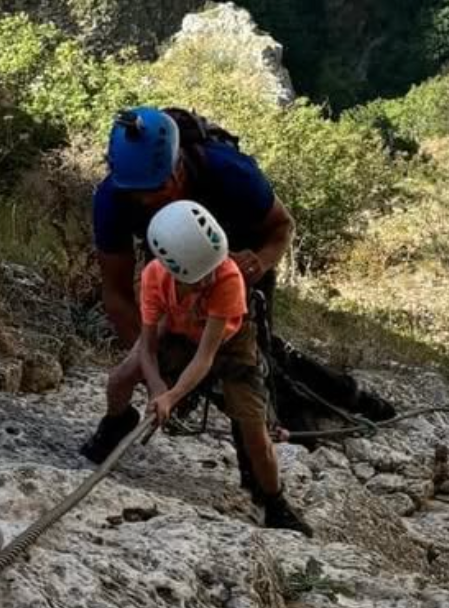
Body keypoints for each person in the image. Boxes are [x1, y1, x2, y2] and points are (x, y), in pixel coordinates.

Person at [91, 107, 393, 447]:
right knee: (201, 351)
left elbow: (282, 226)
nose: (146, 200)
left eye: (155, 189)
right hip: (177, 267)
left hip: (243, 260)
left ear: (177, 168)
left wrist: (261, 262)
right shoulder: (115, 198)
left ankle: (326, 411)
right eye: (137, 192)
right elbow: (117, 295)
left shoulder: (228, 172)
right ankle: (346, 396)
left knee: (250, 353)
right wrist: (153, 368)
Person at [82, 199, 311, 534]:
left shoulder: (226, 277)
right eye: (199, 277)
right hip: (175, 332)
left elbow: (207, 356)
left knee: (254, 431)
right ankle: (117, 422)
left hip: (230, 344)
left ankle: (275, 501)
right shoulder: (154, 277)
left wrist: (172, 396)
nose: (207, 281)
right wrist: (157, 388)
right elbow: (146, 345)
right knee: (118, 381)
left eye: (211, 271)